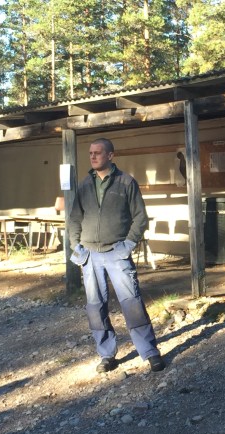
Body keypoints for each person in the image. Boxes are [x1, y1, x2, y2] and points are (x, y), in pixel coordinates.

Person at [68, 137, 165, 374]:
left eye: (98, 153)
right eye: (90, 153)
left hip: (116, 253)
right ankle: (106, 354)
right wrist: (76, 245)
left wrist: (128, 245)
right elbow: (74, 218)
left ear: (110, 155)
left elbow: (140, 217)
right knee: (95, 306)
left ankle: (150, 352)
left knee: (132, 303)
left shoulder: (126, 182)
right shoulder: (84, 185)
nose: (93, 157)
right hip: (90, 255)